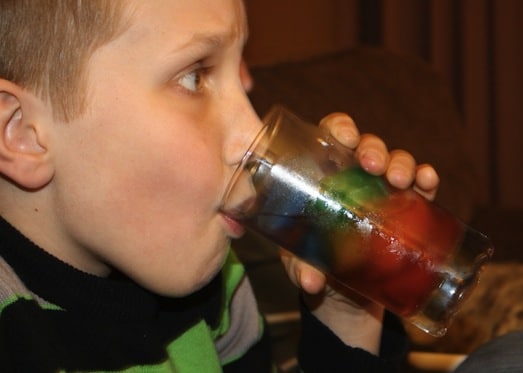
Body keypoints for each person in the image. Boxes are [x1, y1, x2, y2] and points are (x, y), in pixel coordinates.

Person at [0, 1, 439, 371]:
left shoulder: (217, 291)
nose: (254, 135)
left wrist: (350, 316)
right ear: (23, 134)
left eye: (243, 84)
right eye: (195, 76)